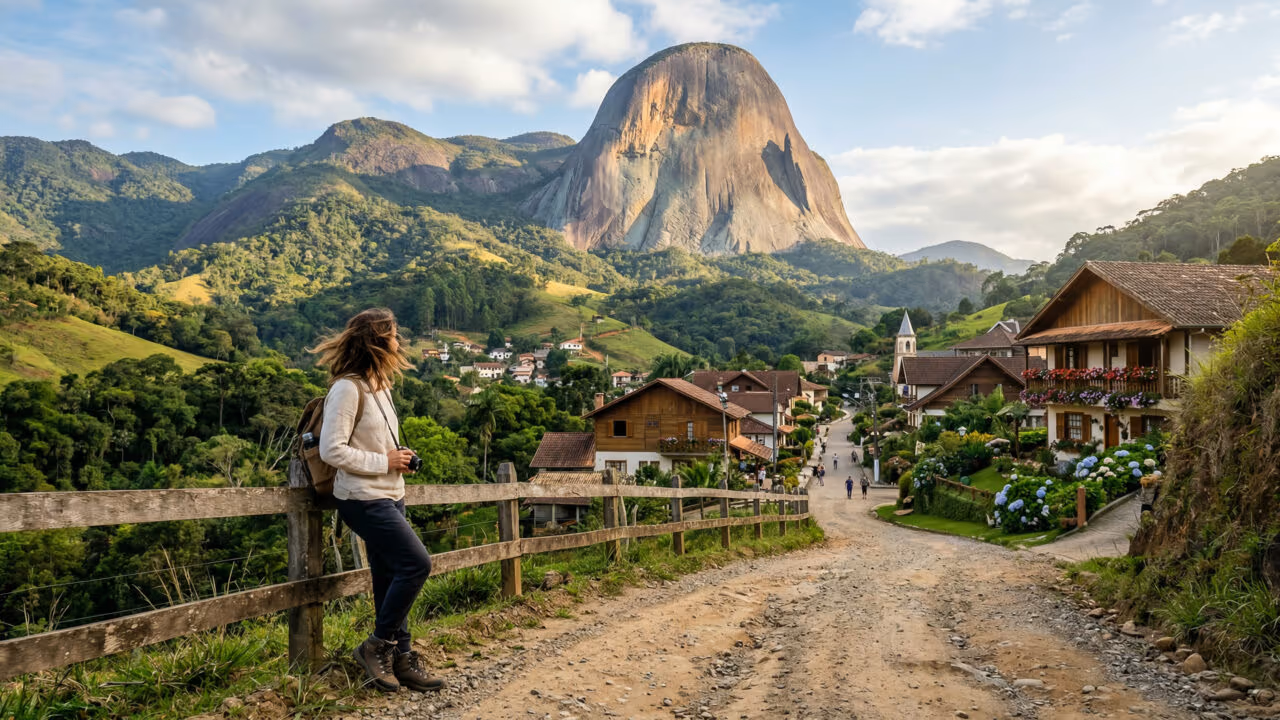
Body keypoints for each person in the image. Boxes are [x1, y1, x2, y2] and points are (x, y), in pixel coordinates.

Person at [314, 308, 443, 694]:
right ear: (376, 341)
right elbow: (330, 450)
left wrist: (398, 456)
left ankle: (400, 658)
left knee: (388, 577)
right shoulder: (346, 388)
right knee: (417, 564)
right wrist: (383, 461)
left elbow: (373, 442)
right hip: (361, 498)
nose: (399, 342)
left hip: (391, 493)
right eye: (394, 335)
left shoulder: (381, 387)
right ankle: (375, 647)